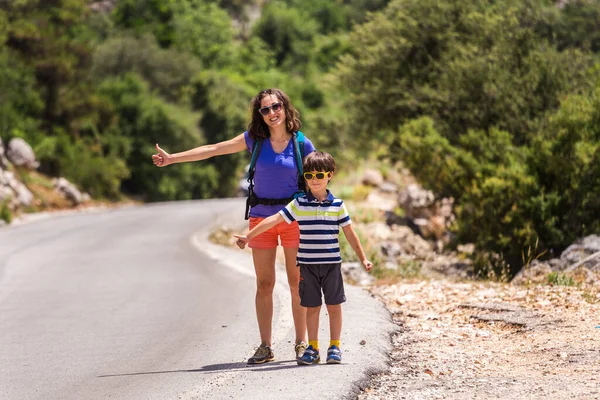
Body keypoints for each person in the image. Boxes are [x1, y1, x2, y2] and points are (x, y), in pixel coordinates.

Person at [152, 88, 316, 364]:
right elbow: (214, 149)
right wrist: (173, 158)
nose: (272, 113)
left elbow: (319, 180)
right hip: (260, 219)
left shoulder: (301, 144)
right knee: (264, 284)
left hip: (293, 218)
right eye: (265, 110)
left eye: (276, 107)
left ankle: (301, 343)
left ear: (286, 108)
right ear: (259, 115)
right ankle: (266, 346)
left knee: (297, 283)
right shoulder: (255, 140)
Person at [234, 151, 373, 365]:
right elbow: (273, 219)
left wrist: (363, 258)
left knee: (334, 306)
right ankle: (313, 348)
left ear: (330, 175)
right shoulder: (299, 204)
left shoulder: (338, 205)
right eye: (309, 176)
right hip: (307, 265)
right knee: (312, 307)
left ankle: (334, 346)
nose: (314, 180)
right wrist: (248, 235)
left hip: (331, 264)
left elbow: (350, 234)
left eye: (319, 175)